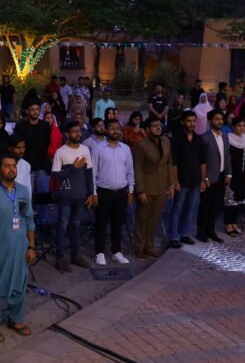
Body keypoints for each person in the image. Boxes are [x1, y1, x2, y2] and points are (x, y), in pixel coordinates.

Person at [0, 154, 35, 343]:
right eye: (7, 166)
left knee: (20, 283)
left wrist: (32, 246)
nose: (11, 169)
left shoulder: (23, 191)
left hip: (21, 248)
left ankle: (16, 319)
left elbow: (29, 220)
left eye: (14, 166)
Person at [51, 121, 96, 272]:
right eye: (74, 131)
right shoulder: (61, 152)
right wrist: (73, 168)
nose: (78, 134)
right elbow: (55, 175)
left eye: (79, 131)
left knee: (76, 225)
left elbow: (89, 173)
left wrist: (91, 193)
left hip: (80, 195)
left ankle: (75, 254)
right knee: (63, 225)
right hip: (65, 195)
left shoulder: (85, 149)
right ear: (67, 134)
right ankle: (60, 257)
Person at [92, 120, 134, 265]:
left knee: (118, 223)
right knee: (101, 224)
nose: (115, 131)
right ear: (106, 130)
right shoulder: (98, 148)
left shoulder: (126, 149)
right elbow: (93, 172)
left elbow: (130, 171)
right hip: (103, 192)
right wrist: (94, 193)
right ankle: (99, 253)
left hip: (121, 192)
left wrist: (131, 190)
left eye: (118, 128)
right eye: (112, 128)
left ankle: (116, 252)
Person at [132, 117, 175, 257]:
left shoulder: (166, 141)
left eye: (160, 125)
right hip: (146, 187)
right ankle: (139, 247)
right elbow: (137, 168)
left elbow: (169, 164)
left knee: (154, 219)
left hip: (161, 186)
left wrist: (171, 184)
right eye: (155, 125)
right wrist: (140, 190)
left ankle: (149, 246)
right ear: (147, 129)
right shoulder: (141, 145)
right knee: (142, 219)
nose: (158, 127)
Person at [167, 111, 202, 249]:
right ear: (182, 122)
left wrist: (202, 179)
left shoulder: (198, 139)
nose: (192, 124)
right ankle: (173, 236)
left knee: (191, 208)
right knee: (177, 208)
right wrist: (175, 181)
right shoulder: (177, 139)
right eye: (189, 121)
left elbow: (202, 162)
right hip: (181, 180)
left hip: (195, 180)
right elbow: (174, 163)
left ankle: (184, 234)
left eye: (193, 121)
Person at [197, 110, 230, 243]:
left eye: (221, 119)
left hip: (221, 176)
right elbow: (201, 160)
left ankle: (211, 231)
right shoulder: (204, 138)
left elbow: (227, 156)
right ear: (210, 121)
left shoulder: (225, 136)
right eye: (216, 119)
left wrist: (228, 173)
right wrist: (204, 178)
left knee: (216, 206)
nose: (220, 121)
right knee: (205, 205)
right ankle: (201, 232)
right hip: (209, 178)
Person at [223, 121, 245, 236]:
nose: (241, 128)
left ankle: (234, 223)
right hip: (231, 174)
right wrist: (227, 173)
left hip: (242, 174)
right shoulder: (228, 138)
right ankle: (228, 224)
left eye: (243, 125)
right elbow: (225, 157)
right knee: (229, 200)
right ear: (233, 127)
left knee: (238, 200)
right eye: (239, 125)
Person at [14, 102, 51, 191]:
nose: (35, 112)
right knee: (27, 196)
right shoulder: (21, 126)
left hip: (42, 168)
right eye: (32, 110)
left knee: (43, 196)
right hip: (26, 168)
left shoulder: (45, 126)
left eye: (37, 109)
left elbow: (47, 143)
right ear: (27, 111)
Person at [0, 133, 33, 199]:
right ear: (10, 148)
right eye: (18, 148)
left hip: (21, 202)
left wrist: (28, 203)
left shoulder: (26, 165)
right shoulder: (1, 165)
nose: (22, 151)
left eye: (23, 147)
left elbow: (28, 188)